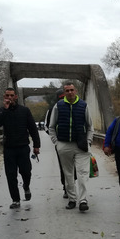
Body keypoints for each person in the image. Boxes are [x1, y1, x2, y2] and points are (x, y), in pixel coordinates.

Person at [47, 82, 93, 211]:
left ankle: (83, 200)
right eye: (67, 90)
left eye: (72, 90)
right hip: (64, 144)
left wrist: (88, 140)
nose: (70, 93)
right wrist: (56, 143)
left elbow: (90, 126)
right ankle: (72, 199)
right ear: (64, 92)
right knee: (68, 174)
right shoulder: (58, 106)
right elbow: (51, 126)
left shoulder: (84, 105)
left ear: (76, 91)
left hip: (81, 145)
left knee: (83, 173)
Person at [0, 87, 41, 209]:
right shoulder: (1, 110)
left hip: (23, 147)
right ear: (4, 97)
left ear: (16, 97)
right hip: (9, 148)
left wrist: (36, 145)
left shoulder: (24, 111)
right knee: (10, 175)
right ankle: (15, 199)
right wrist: (5, 109)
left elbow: (32, 128)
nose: (9, 98)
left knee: (26, 172)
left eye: (11, 95)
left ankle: (26, 185)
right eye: (7, 96)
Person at [45, 87, 68, 197]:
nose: (62, 100)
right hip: (61, 143)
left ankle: (71, 185)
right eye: (61, 98)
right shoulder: (52, 109)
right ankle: (66, 188)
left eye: (64, 97)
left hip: (75, 142)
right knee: (63, 166)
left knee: (76, 167)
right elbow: (47, 127)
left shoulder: (75, 106)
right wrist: (56, 140)